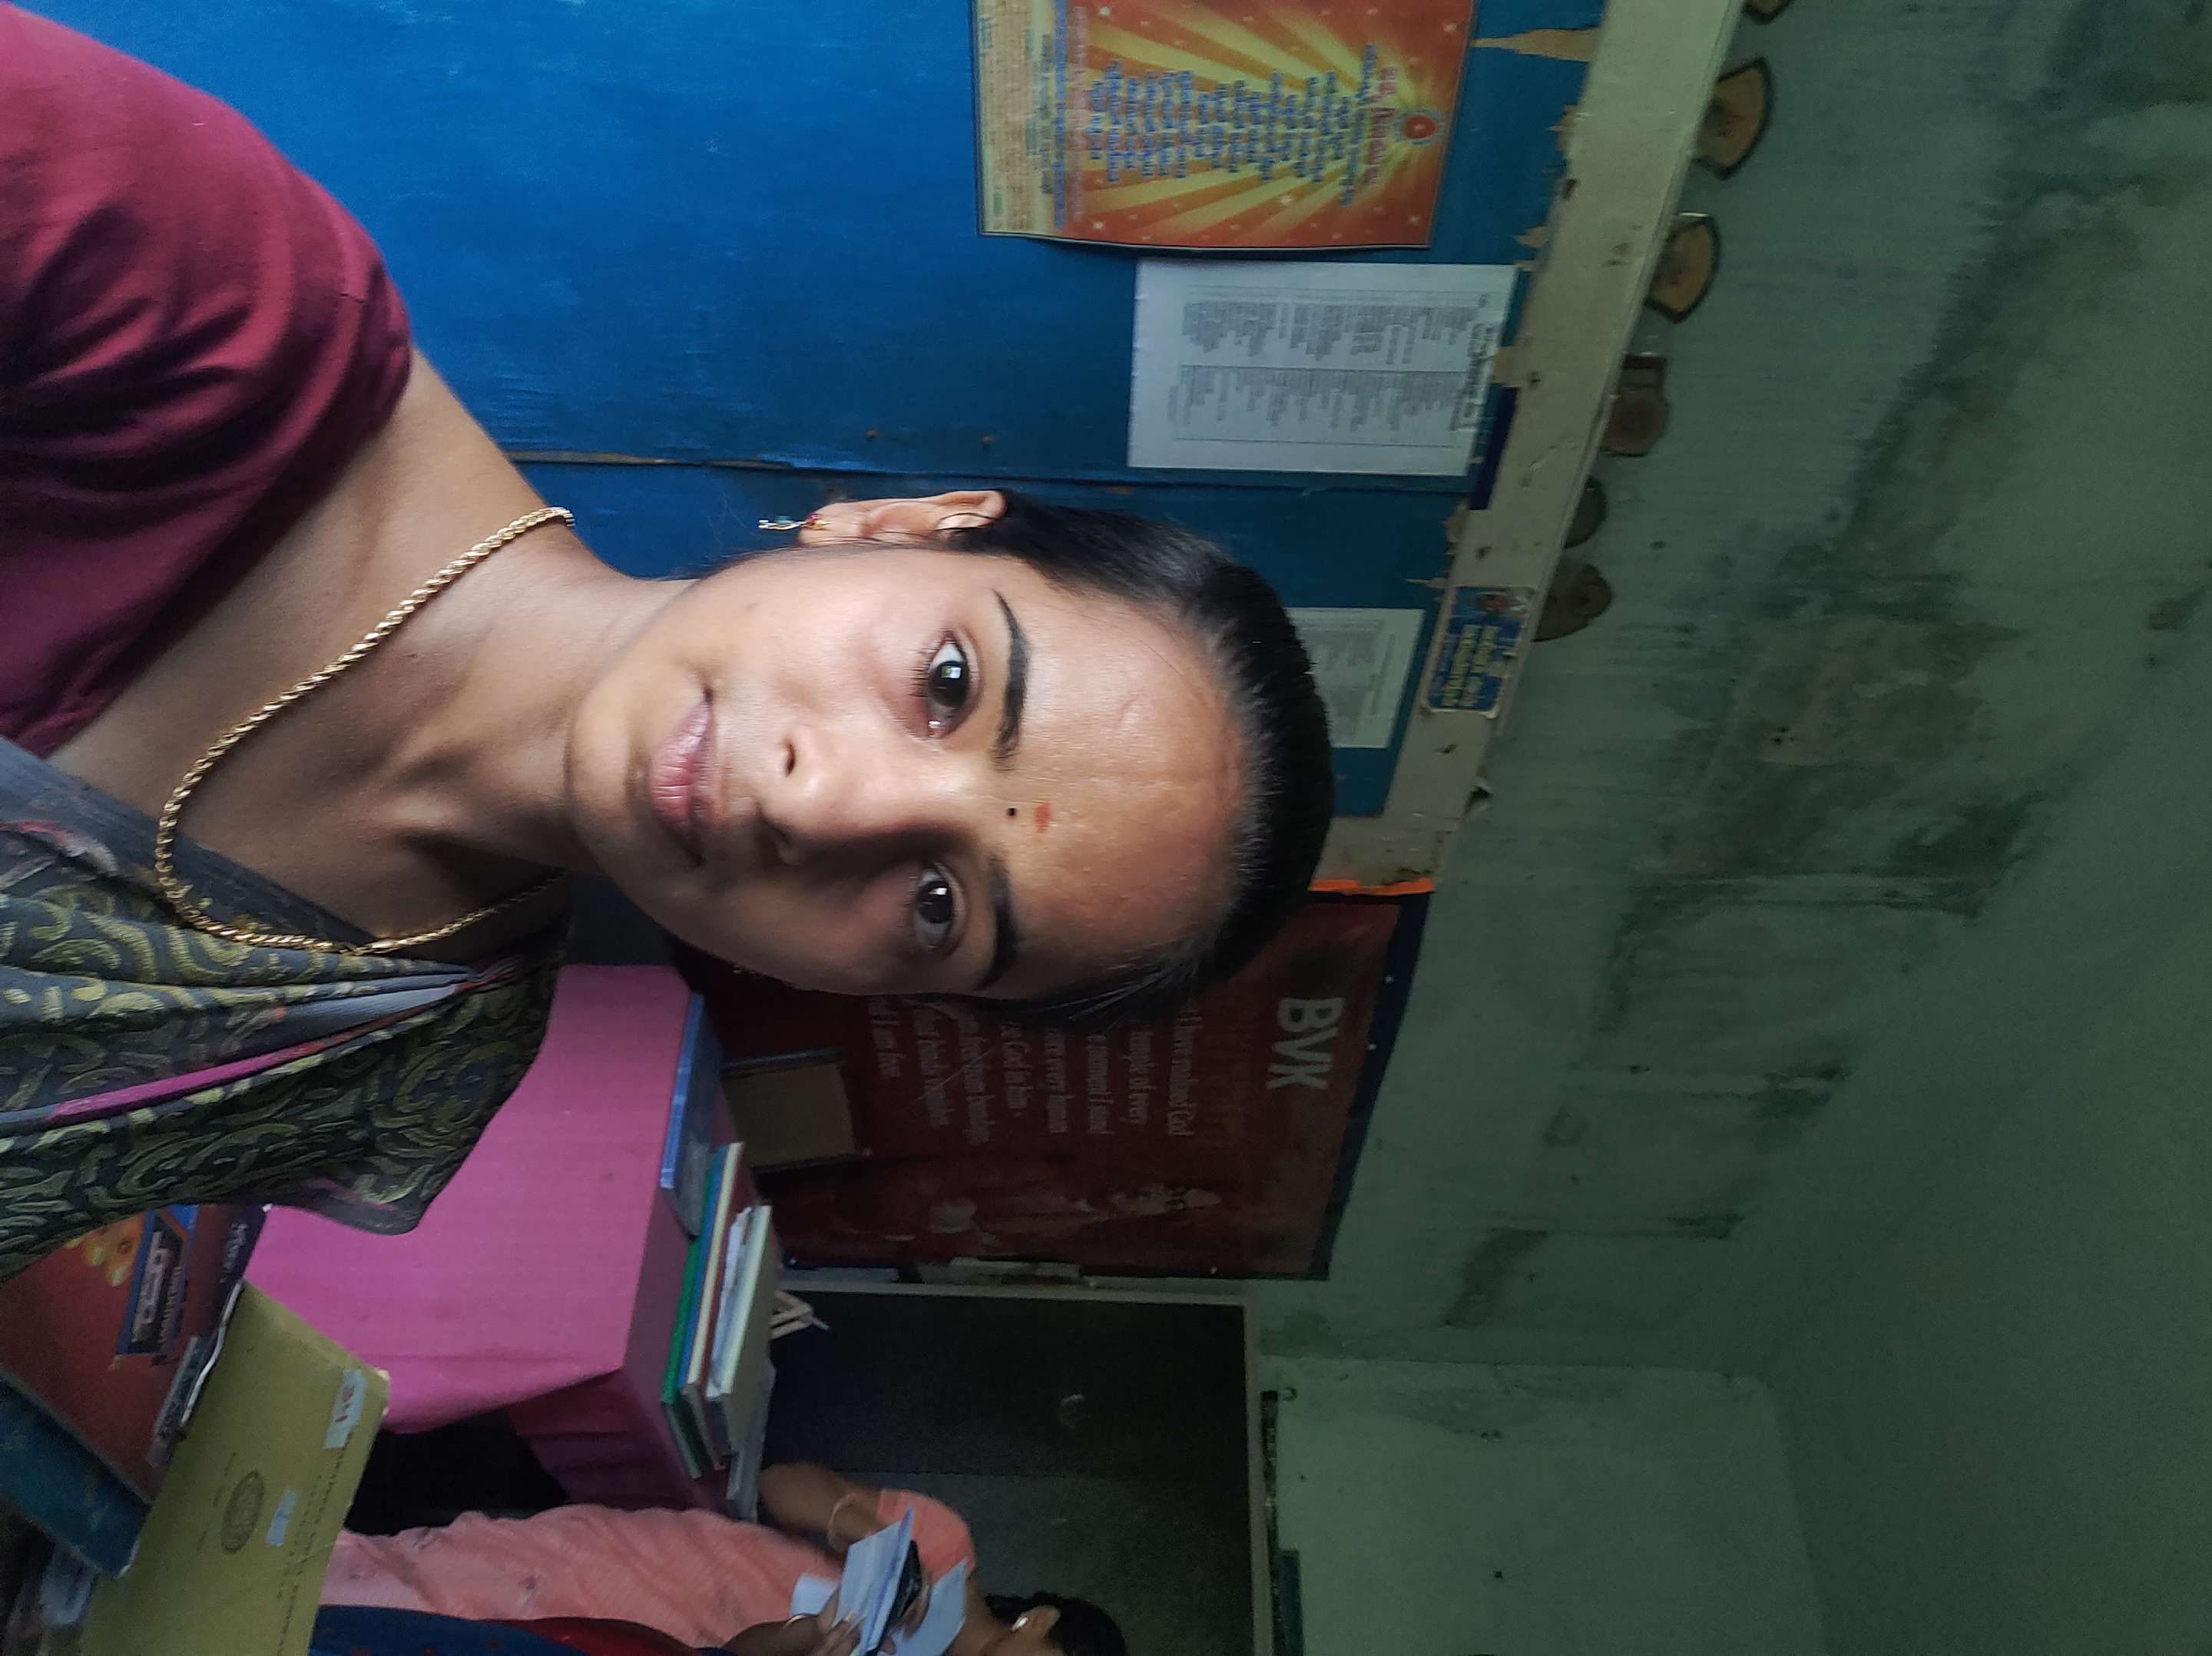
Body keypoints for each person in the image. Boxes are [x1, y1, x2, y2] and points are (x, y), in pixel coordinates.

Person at [0, 9, 1333, 1279]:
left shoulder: (400, 1054)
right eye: (949, 683)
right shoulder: (183, 294)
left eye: (940, 906)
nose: (826, 805)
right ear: (897, 525)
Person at [321, 1461, 1126, 1656]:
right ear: (1040, 1621)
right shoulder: (942, 1547)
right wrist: (859, 1528)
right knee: (368, 1594)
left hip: (643, 1647)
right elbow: (780, 1484)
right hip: (615, 1567)